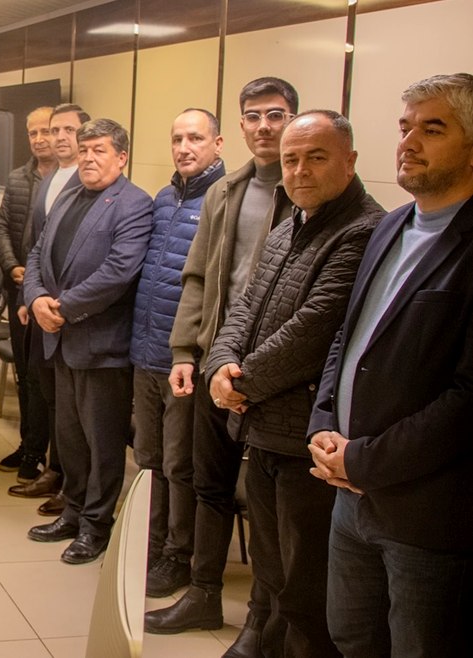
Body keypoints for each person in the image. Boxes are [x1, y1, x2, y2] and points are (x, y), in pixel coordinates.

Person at [308, 73, 473, 657]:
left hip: (428, 511)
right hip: (351, 494)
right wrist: (323, 422)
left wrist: (365, 460)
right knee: (352, 637)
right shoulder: (388, 227)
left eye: (433, 129)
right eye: (405, 127)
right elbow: (347, 339)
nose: (409, 142)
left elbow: (466, 398)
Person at [208, 110, 381, 657]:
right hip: (262, 427)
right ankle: (261, 640)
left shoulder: (364, 231)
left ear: (349, 161)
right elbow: (245, 305)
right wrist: (220, 364)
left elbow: (314, 328)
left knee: (306, 588)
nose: (300, 170)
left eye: (315, 157)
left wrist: (242, 383)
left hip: (307, 438)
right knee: (272, 568)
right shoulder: (290, 224)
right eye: (290, 160)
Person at [147, 77, 298, 657]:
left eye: (276, 115)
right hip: (214, 363)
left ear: (292, 119)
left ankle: (263, 620)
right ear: (240, 126)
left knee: (265, 503)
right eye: (253, 116)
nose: (264, 126)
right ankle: (203, 592)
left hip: (272, 378)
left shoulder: (305, 191)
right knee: (208, 483)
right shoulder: (226, 192)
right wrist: (184, 353)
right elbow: (198, 278)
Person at [23, 118, 153, 564]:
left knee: (102, 444)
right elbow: (37, 253)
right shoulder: (69, 195)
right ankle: (73, 511)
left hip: (101, 344)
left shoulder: (134, 204)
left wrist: (61, 308)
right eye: (84, 150)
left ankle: (96, 525)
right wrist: (36, 298)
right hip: (60, 339)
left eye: (99, 150)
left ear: (122, 157)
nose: (89, 158)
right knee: (70, 438)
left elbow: (119, 271)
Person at [131, 108, 225, 597]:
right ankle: (148, 545)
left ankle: (176, 555)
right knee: (147, 457)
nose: (184, 147)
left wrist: (190, 351)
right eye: (177, 139)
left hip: (184, 360)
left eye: (195, 138)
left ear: (218, 144)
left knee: (178, 464)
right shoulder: (164, 199)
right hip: (145, 351)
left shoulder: (224, 199)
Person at [9, 103, 89, 511]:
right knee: (48, 392)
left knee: (70, 402)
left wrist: (55, 301)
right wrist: (31, 295)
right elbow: (37, 247)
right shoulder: (49, 179)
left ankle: (72, 482)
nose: (58, 137)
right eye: (54, 130)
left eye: (68, 130)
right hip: (41, 305)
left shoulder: (89, 179)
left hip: (72, 310)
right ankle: (55, 470)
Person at [0, 106, 56, 482]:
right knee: (24, 374)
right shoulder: (18, 178)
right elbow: (1, 226)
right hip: (19, 290)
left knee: (45, 378)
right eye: (33, 133)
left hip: (52, 296)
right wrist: (10, 265)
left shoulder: (73, 179)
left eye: (46, 131)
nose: (39, 139)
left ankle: (47, 453)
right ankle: (28, 445)